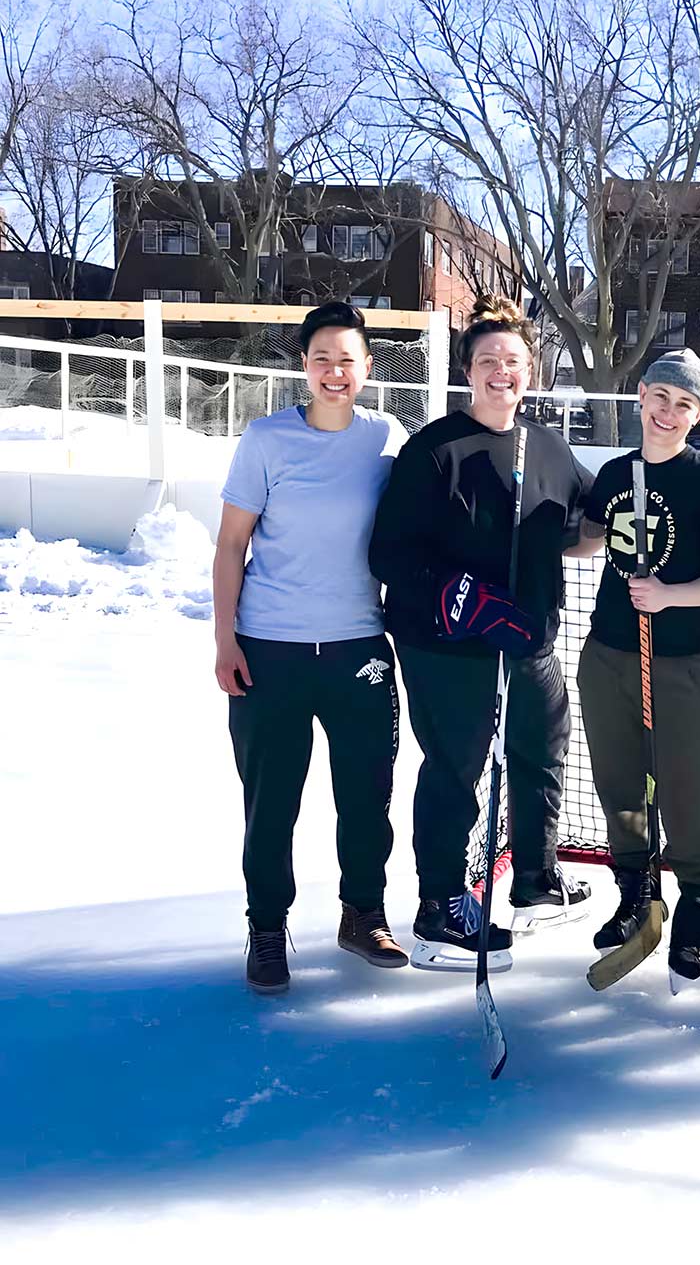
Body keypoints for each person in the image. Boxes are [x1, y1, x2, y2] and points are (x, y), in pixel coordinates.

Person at [368, 294, 593, 973]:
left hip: (527, 637)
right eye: (489, 359)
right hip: (448, 647)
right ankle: (440, 907)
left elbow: (588, 517)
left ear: (533, 370)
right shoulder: (436, 449)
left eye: (514, 361)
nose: (502, 371)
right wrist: (458, 598)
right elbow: (389, 554)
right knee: (458, 764)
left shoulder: (547, 445)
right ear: (469, 369)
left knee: (541, 745)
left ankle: (534, 878)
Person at [214, 301, 409, 995]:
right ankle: (266, 930)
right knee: (272, 803)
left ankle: (364, 913)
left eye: (347, 360)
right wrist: (225, 641)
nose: (335, 371)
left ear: (366, 368)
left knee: (367, 795)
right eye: (322, 357)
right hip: (271, 650)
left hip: (360, 647)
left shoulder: (387, 438)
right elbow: (231, 545)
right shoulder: (267, 440)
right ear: (304, 363)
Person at [569, 349, 700, 991]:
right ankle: (636, 890)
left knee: (684, 788)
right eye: (661, 397)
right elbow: (589, 537)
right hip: (609, 653)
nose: (669, 413)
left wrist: (671, 595)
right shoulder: (615, 472)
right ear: (641, 395)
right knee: (619, 782)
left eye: (685, 405)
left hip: (680, 661)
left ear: (698, 414)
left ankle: (696, 898)